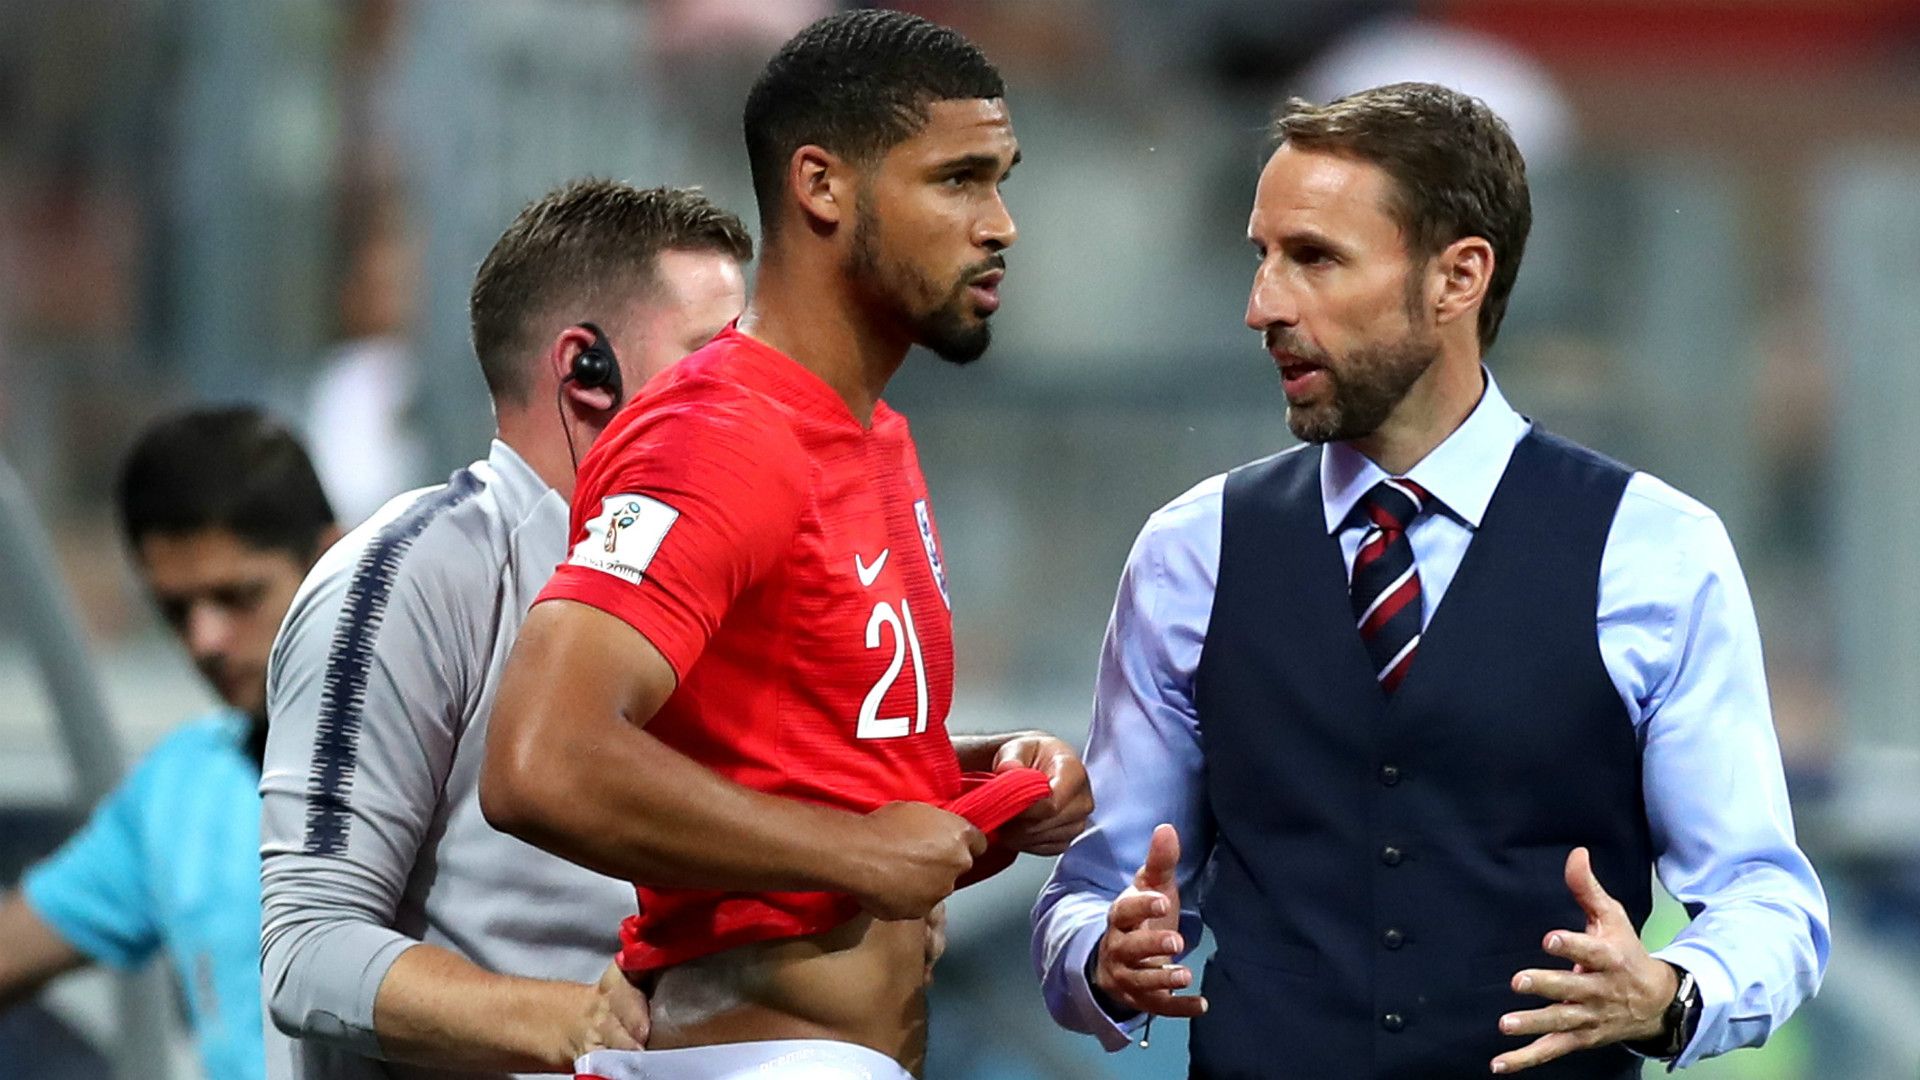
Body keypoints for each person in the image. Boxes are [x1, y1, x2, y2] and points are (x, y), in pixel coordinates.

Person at [1032, 82, 1829, 1078]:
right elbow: (1091, 894)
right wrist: (1100, 957)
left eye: (1314, 258)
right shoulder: (1187, 555)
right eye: (1262, 256)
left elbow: (1765, 892)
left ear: (1458, 278)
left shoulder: (1657, 552)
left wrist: (1668, 994)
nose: (1262, 306)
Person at [480, 11, 1092, 1080]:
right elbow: (539, 760)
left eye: (1002, 180)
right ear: (821, 186)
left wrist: (975, 773)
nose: (1001, 224)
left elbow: (794, 758)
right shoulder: (713, 435)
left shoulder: (874, 436)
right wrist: (853, 850)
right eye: (957, 180)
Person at [258, 180, 753, 1080]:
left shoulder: (731, 578)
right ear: (583, 371)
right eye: (711, 358)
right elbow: (308, 952)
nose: (755, 397)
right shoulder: (414, 574)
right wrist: (579, 1025)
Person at [0, 407, 339, 1080]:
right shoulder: (185, 788)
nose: (205, 640)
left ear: (334, 557)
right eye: (175, 609)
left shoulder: (454, 746)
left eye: (238, 596)